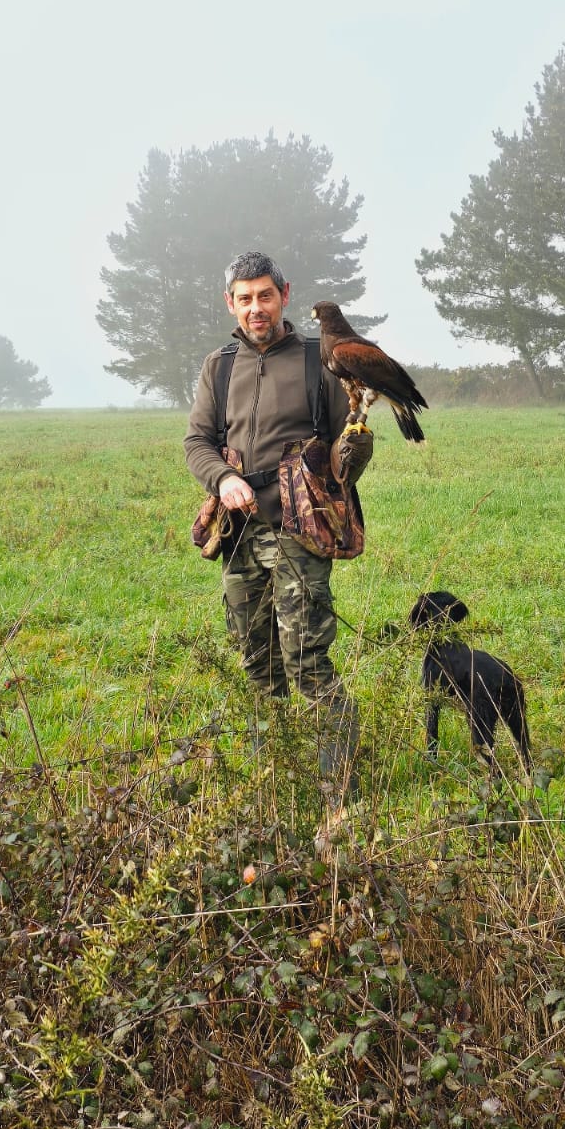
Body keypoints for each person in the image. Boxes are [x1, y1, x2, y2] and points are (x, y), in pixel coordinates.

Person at [184, 251, 372, 802]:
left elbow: (343, 450)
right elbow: (197, 442)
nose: (256, 308)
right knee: (256, 663)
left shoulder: (320, 361)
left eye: (265, 295)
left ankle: (339, 791)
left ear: (284, 296)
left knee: (307, 661)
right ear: (230, 303)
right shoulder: (219, 366)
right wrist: (222, 478)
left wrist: (353, 453)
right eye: (245, 299)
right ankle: (271, 783)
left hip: (301, 528)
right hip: (239, 531)